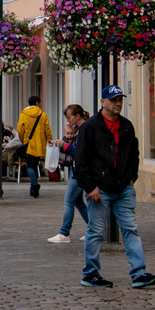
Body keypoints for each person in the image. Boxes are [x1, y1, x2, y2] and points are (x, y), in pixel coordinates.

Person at [73, 85, 155, 288]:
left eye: (120, 99)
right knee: (96, 231)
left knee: (131, 228)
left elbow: (134, 154)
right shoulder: (91, 127)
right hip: (99, 189)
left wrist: (132, 177)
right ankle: (90, 273)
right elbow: (81, 160)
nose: (117, 104)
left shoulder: (127, 126)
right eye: (113, 100)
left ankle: (139, 273)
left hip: (123, 188)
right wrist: (90, 187)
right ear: (103, 102)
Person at [48, 103, 91, 243]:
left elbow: (81, 152)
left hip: (80, 170)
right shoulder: (77, 129)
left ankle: (64, 233)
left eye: (69, 117)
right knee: (78, 201)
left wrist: (64, 145)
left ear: (77, 116)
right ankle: (94, 229)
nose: (68, 120)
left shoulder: (84, 129)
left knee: (69, 201)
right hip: (76, 168)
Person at [16, 95, 52, 199]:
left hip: (29, 144)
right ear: (37, 103)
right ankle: (33, 187)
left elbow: (20, 130)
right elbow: (47, 129)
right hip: (39, 144)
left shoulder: (24, 114)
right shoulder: (43, 115)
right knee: (35, 164)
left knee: (29, 165)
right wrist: (49, 139)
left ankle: (34, 184)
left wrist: (23, 140)